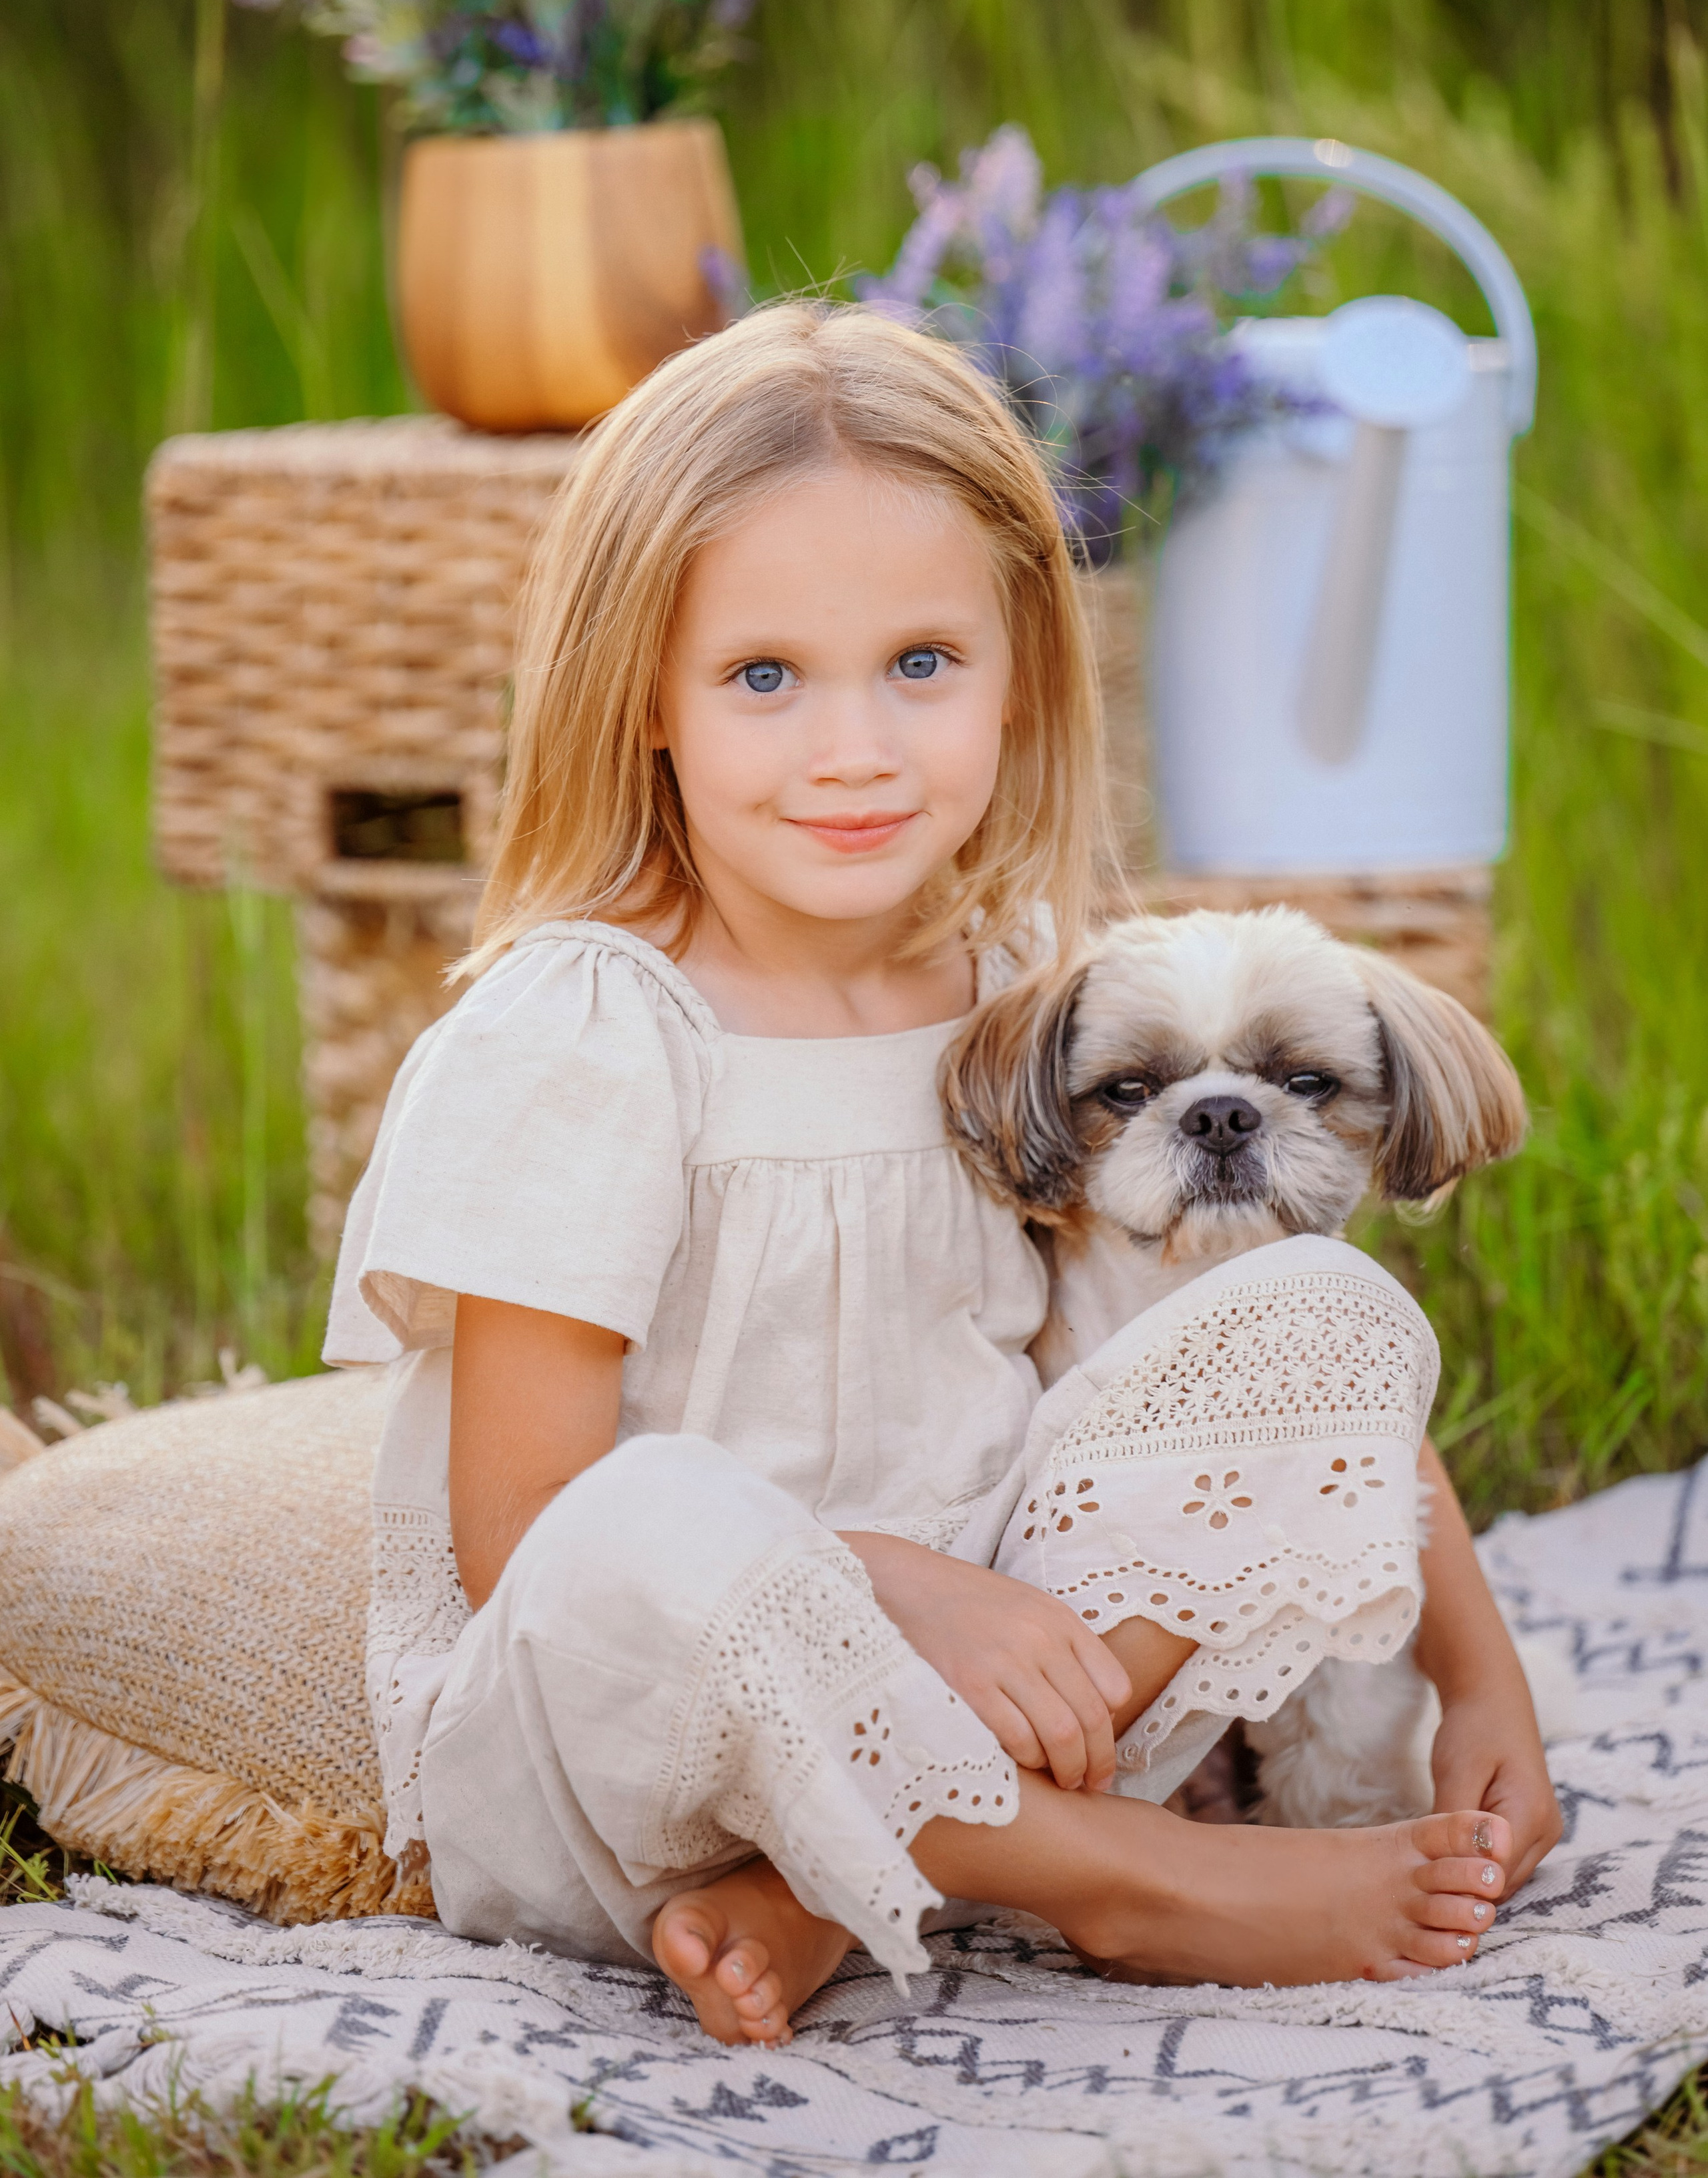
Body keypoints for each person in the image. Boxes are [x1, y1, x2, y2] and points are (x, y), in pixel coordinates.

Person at [324, 302, 1559, 2048]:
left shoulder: (1020, 991)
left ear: (1021, 670)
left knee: (1320, 1302)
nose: (856, 749)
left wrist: (1475, 1670)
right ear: (644, 698)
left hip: (1017, 1686)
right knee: (650, 1519)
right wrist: (905, 1588)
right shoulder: (592, 1028)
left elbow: (1231, 1346)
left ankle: (844, 1881)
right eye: (765, 677)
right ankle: (1131, 1880)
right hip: (633, 1744)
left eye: (922, 663)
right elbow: (529, 1537)